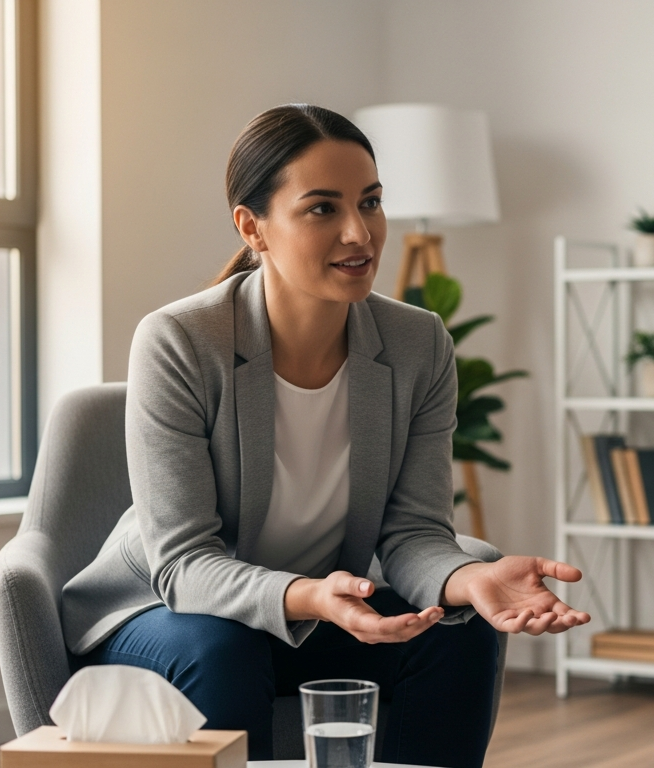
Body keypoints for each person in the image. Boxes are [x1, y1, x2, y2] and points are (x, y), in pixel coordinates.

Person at [59, 104, 590, 766]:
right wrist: (311, 596)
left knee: (461, 634)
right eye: (322, 209)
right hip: (167, 610)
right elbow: (184, 565)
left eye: (370, 202)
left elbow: (415, 533)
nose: (359, 232)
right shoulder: (180, 341)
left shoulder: (417, 344)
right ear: (253, 227)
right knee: (225, 646)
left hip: (318, 608)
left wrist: (468, 580)